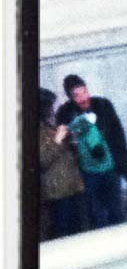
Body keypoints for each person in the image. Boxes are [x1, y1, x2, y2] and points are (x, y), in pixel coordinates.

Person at [56, 74, 127, 228]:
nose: (83, 98)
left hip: (110, 168)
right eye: (77, 95)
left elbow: (118, 135)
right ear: (70, 97)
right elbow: (63, 143)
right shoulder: (65, 113)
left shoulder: (103, 105)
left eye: (84, 92)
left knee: (115, 211)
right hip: (86, 172)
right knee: (95, 214)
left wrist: (123, 164)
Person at [38, 87, 84, 239]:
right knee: (62, 232)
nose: (52, 110)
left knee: (78, 230)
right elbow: (42, 160)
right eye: (49, 106)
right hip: (57, 192)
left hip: (72, 187)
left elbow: (64, 154)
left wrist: (72, 141)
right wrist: (57, 140)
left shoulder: (50, 126)